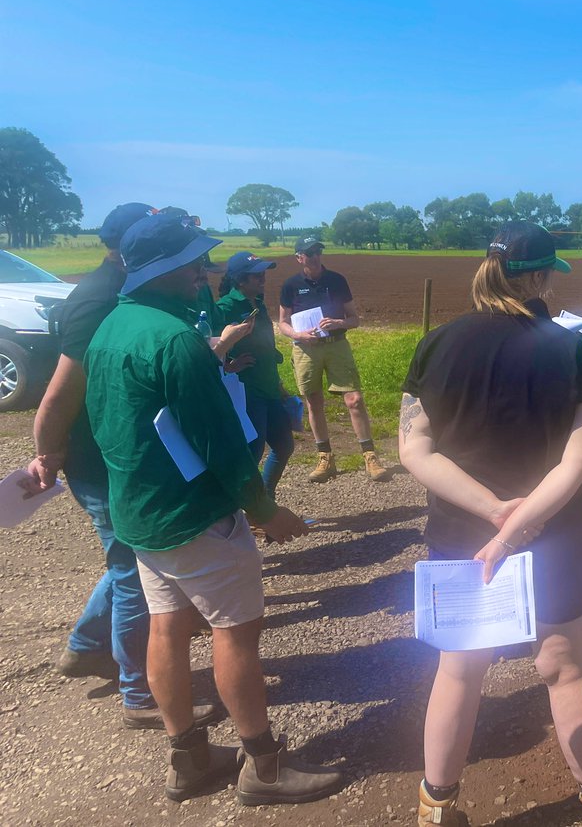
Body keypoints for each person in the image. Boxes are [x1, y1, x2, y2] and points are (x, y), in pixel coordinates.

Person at [84, 210, 342, 805]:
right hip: (196, 515)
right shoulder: (175, 340)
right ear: (166, 267)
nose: (203, 273)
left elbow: (106, 424)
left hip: (141, 513)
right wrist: (262, 508)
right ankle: (265, 768)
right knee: (236, 635)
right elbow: (218, 440)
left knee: (167, 630)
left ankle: (190, 761)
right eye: (194, 262)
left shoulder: (113, 325)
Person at [398, 221, 582, 826]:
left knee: (459, 670)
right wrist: (518, 523)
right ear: (535, 277)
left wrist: (494, 515)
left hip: (460, 533)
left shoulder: (437, 344)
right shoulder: (567, 349)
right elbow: (578, 460)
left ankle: (436, 807)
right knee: (565, 668)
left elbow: (414, 450)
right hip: (552, 531)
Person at [24, 203, 221, 731]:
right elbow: (60, 395)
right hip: (103, 461)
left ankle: (86, 646)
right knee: (134, 571)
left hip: (114, 456)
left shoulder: (116, 289)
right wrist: (48, 452)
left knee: (124, 561)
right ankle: (139, 695)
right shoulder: (101, 299)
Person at [278, 235, 386, 483]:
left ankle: (370, 455)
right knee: (313, 402)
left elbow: (354, 319)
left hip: (337, 345)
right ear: (299, 257)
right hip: (305, 349)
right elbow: (283, 323)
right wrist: (298, 334)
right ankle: (325, 457)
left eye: (318, 251)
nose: (315, 257)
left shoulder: (336, 281)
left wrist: (338, 323)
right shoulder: (290, 285)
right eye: (309, 252)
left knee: (354, 400)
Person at [213, 251, 294, 498]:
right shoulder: (225, 307)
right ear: (240, 280)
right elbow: (209, 345)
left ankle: (265, 500)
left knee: (284, 445)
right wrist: (227, 365)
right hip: (246, 389)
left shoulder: (256, 303)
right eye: (256, 275)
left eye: (263, 273)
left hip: (268, 384)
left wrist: (279, 385)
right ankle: (250, 510)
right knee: (254, 451)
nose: (263, 278)